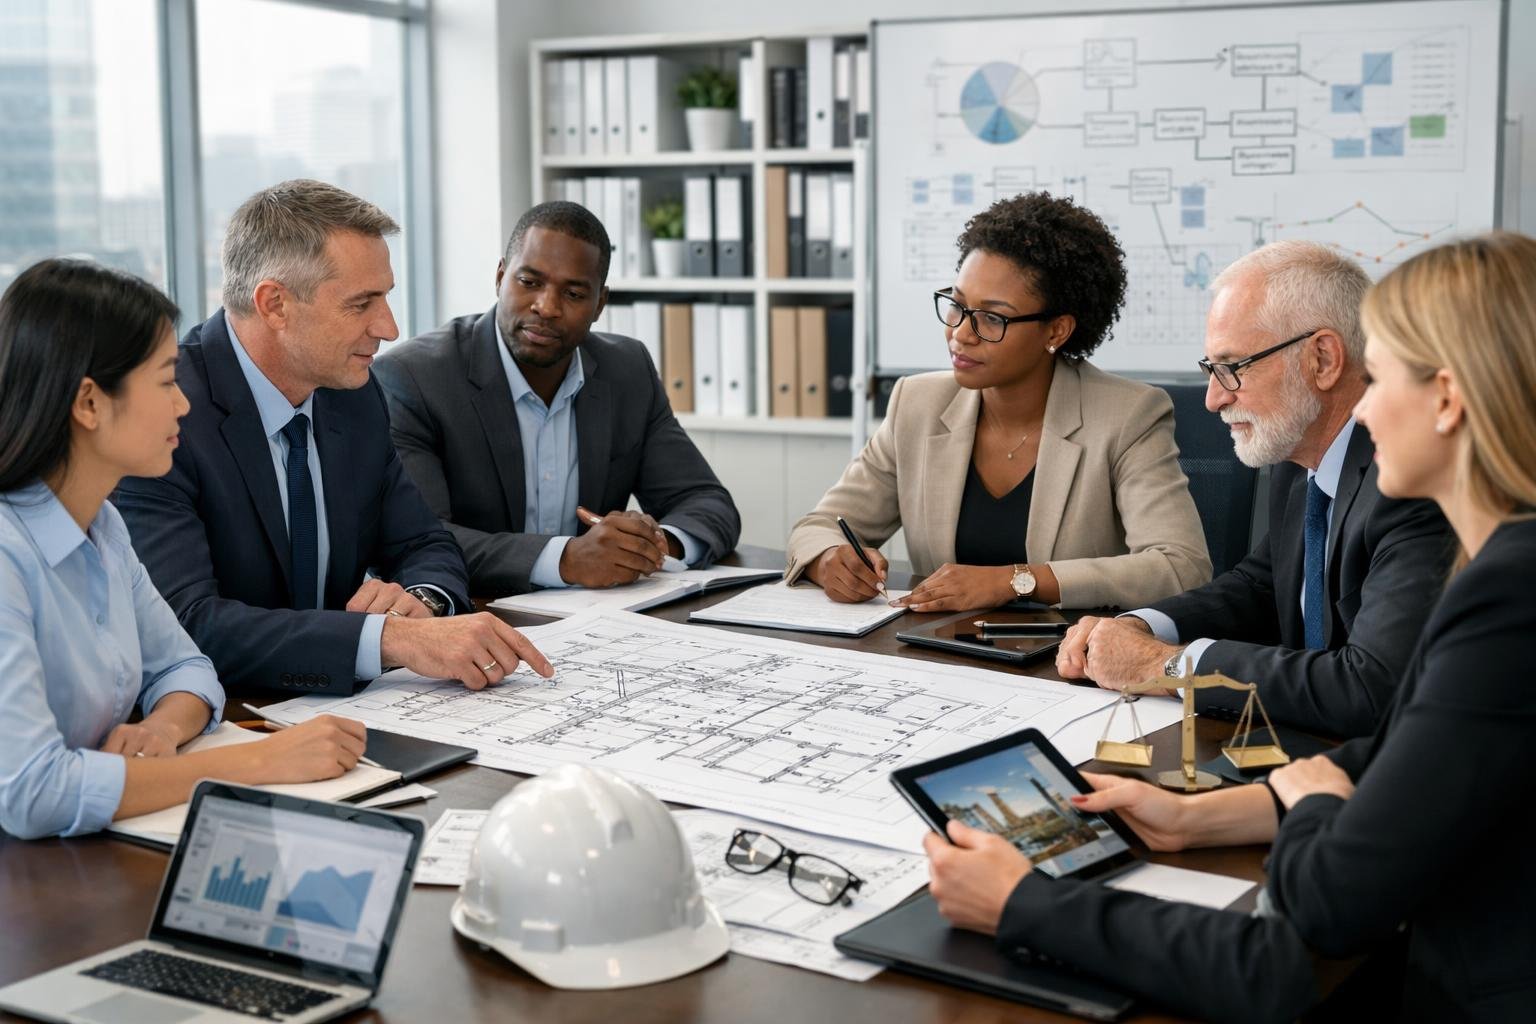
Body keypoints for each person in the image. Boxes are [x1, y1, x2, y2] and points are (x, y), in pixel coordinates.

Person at [923, 232, 1536, 1023]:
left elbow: (1317, 917)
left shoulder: (1506, 598)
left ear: (1447, 399)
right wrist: (1205, 814)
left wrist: (1020, 904)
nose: (1366, 405)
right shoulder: (1502, 568)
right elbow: (1411, 752)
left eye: (1379, 375)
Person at [114, 180, 553, 695]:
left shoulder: (354, 392)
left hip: (344, 712)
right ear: (275, 304)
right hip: (223, 718)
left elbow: (423, 540)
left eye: (385, 297)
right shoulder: (165, 413)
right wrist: (388, 639)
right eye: (361, 303)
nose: (388, 327)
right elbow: (187, 624)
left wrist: (424, 602)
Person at [0, 258, 368, 840]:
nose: (183, 405)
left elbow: (186, 665)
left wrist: (164, 731)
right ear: (90, 403)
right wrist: (260, 761)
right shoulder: (6, 559)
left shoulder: (104, 526)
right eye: (166, 380)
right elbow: (31, 790)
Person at [1055, 240, 1450, 738]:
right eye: (1210, 369)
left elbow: (1371, 688)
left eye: (1232, 368)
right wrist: (1143, 626)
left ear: (1323, 359)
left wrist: (1166, 665)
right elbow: (1262, 587)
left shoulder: (1410, 478)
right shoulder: (1298, 452)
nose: (1214, 398)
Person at [784, 192, 1210, 612]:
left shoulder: (1127, 416)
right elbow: (819, 527)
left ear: (1056, 331)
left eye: (992, 317)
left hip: (1065, 662)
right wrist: (828, 560)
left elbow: (1180, 567)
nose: (960, 333)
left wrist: (1014, 581)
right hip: (935, 653)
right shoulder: (917, 404)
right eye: (957, 306)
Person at [374, 201, 740, 597]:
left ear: (599, 304)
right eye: (529, 282)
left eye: (574, 293)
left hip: (595, 620)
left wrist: (649, 546)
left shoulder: (626, 370)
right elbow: (416, 538)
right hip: (474, 613)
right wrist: (566, 559)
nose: (546, 307)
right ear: (500, 277)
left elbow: (706, 501)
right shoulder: (415, 378)